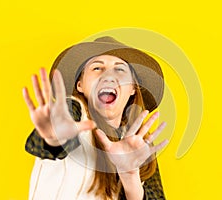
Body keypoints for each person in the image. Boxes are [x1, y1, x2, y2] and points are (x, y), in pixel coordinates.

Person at [23, 36, 168, 200]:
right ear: (80, 85)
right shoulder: (74, 109)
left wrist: (130, 177)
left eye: (120, 70)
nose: (108, 75)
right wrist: (54, 137)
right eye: (97, 68)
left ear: (133, 88)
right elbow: (46, 143)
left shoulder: (138, 143)